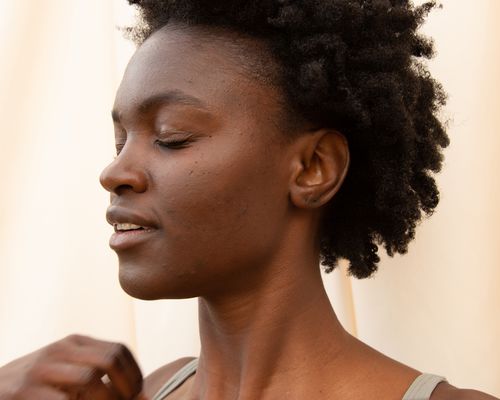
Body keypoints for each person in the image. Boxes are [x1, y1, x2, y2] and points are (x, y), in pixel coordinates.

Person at [0, 1, 498, 399]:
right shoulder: (135, 393)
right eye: (119, 141)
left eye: (171, 136)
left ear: (312, 168)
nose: (114, 173)